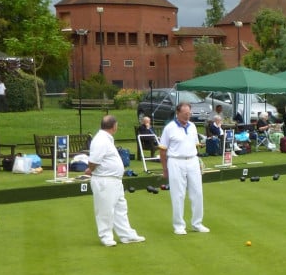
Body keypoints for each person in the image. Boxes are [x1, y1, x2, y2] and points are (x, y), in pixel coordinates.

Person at [85, 115, 144, 246]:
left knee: (120, 209)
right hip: (105, 180)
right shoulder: (101, 140)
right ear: (114, 126)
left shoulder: (106, 139)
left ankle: (126, 235)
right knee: (105, 210)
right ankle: (106, 237)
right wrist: (91, 170)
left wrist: (92, 169)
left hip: (115, 180)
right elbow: (93, 161)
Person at [158, 102, 209, 235]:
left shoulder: (192, 126)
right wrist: (165, 169)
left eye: (189, 113)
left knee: (197, 193)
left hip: (192, 160)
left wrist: (198, 161)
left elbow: (195, 146)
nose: (187, 116)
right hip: (176, 161)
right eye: (185, 114)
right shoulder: (169, 128)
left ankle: (197, 223)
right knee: (178, 194)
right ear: (178, 113)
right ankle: (179, 225)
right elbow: (162, 150)